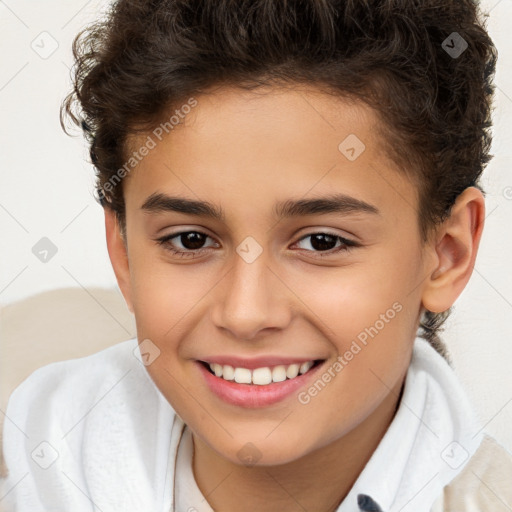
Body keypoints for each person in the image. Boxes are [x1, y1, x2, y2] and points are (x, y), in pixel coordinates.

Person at [2, 0, 511, 510]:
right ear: (126, 253)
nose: (246, 314)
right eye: (191, 240)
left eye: (322, 242)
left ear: (447, 253)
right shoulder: (35, 454)